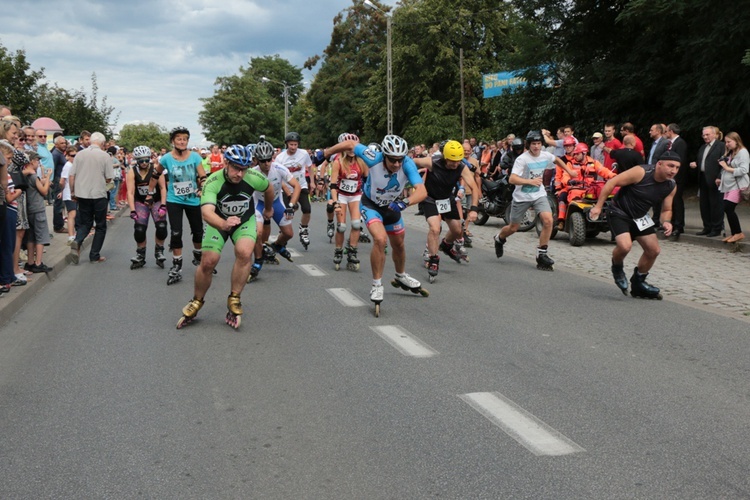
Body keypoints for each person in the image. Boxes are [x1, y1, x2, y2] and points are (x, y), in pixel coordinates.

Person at [318, 134, 428, 310]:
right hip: (371, 205)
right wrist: (325, 153)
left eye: (400, 160)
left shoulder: (406, 163)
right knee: (380, 239)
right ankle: (377, 284)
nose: (397, 164)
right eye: (393, 160)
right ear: (384, 155)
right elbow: (351, 143)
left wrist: (404, 202)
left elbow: (422, 191)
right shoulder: (373, 157)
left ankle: (400, 275)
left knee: (399, 244)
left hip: (393, 207)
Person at [177, 145, 274, 330]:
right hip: (219, 223)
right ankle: (197, 300)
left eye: (244, 169)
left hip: (244, 221)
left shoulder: (253, 178)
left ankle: (235, 298)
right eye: (236, 168)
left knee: (244, 253)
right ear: (226, 163)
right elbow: (206, 213)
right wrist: (223, 224)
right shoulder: (213, 181)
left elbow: (269, 189)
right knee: (208, 261)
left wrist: (269, 208)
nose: (240, 174)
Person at [589, 151, 680, 299]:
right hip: (619, 212)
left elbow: (667, 209)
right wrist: (598, 207)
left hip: (640, 217)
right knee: (625, 246)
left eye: (677, 167)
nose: (673, 171)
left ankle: (638, 283)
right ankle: (617, 267)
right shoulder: (641, 172)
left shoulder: (671, 185)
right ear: (659, 164)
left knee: (653, 250)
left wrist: (667, 222)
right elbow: (612, 182)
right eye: (670, 166)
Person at [493, 131, 577, 271]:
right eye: (533, 144)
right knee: (513, 227)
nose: (536, 147)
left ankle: (542, 253)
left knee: (548, 220)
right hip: (522, 197)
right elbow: (512, 179)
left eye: (538, 144)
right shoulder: (522, 159)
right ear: (528, 145)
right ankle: (499, 238)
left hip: (539, 195)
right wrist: (530, 181)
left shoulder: (545, 155)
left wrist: (569, 171)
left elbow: (556, 160)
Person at [145, 126, 207, 284]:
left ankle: (198, 256)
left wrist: (202, 189)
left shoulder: (195, 157)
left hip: (193, 199)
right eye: (179, 138)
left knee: (198, 232)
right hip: (174, 200)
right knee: (176, 233)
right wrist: (149, 193)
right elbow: (155, 174)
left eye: (185, 138)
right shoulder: (166, 158)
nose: (182, 141)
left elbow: (203, 176)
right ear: (173, 141)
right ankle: (176, 265)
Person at [412, 140, 479, 281]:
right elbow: (412, 162)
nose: (455, 164)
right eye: (451, 161)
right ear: (444, 157)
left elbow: (474, 188)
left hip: (447, 199)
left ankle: (446, 245)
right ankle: (433, 259)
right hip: (430, 198)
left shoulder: (461, 167)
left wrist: (474, 209)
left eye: (457, 161)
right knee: (435, 229)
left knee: (457, 231)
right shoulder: (432, 162)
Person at [248, 140, 301, 282]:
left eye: (269, 159)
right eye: (263, 160)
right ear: (257, 160)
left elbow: (297, 186)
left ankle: (277, 245)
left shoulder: (279, 168)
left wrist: (291, 205)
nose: (266, 164)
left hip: (277, 202)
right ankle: (258, 261)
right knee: (257, 233)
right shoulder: (252, 173)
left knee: (289, 234)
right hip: (259, 204)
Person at [66, 132, 114, 264]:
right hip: (99, 194)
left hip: (82, 194)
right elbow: (109, 177)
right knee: (100, 225)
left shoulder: (80, 154)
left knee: (85, 223)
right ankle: (94, 255)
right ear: (103, 144)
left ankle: (77, 240)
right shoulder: (105, 156)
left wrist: (73, 191)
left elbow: (72, 175)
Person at [328, 133, 369, 271]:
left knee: (356, 224)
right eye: (348, 147)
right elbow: (333, 185)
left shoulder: (362, 162)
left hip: (356, 195)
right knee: (341, 226)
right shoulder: (338, 162)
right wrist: (335, 202)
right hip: (341, 195)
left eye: (354, 147)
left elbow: (368, 180)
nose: (351, 150)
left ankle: (352, 250)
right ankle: (338, 250)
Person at [555, 142, 616, 229]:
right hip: (573, 189)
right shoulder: (570, 164)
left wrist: (614, 176)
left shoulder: (594, 162)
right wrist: (569, 181)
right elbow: (564, 176)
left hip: (589, 190)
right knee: (562, 197)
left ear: (584, 153)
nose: (574, 156)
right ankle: (561, 221)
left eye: (577, 154)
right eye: (574, 154)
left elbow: (604, 171)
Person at [127, 145, 168, 269]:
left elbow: (162, 188)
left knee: (161, 226)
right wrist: (132, 209)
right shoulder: (132, 171)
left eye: (146, 160)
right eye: (141, 161)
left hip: (155, 201)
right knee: (139, 229)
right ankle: (140, 254)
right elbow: (130, 192)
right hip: (141, 202)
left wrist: (163, 205)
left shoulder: (156, 169)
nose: (144, 163)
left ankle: (159, 251)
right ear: (137, 161)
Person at [275, 132, 314, 249]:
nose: (293, 147)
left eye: (295, 145)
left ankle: (304, 229)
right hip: (287, 187)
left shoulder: (304, 154)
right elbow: (278, 176)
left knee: (307, 209)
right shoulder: (280, 158)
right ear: (286, 144)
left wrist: (312, 181)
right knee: (288, 213)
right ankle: (283, 232)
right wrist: (287, 191)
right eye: (291, 144)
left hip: (301, 185)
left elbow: (310, 167)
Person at [20, 151, 53, 273]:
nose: (38, 163)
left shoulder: (25, 176)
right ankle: (38, 263)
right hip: (38, 209)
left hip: (28, 209)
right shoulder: (33, 176)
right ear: (32, 161)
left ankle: (30, 262)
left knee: (30, 237)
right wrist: (49, 176)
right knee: (41, 236)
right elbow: (44, 191)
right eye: (37, 161)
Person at [690, 126, 725, 237]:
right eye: (703, 135)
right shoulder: (703, 147)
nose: (705, 137)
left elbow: (724, 163)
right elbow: (702, 160)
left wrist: (719, 176)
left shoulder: (721, 146)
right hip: (703, 178)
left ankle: (716, 228)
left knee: (716, 204)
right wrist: (696, 164)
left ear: (715, 134)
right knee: (704, 204)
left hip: (715, 180)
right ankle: (707, 227)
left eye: (707, 134)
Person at [717, 132, 749, 243]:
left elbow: (744, 170)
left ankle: (738, 233)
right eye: (726, 142)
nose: (727, 144)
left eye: (729, 142)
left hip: (737, 185)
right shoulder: (731, 152)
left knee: (728, 207)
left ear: (736, 140)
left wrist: (726, 167)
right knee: (727, 208)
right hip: (728, 185)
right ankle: (734, 233)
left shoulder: (743, 152)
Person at [664, 123, 689, 239]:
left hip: (677, 177)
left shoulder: (680, 143)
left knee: (677, 200)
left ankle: (679, 225)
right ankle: (672, 223)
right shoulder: (671, 143)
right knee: (672, 201)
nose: (665, 133)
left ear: (671, 131)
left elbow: (680, 160)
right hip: (671, 177)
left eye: (666, 131)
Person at [59, 146, 78, 245]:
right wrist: (62, 191)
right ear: (67, 156)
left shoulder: (73, 165)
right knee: (72, 214)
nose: (74, 157)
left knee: (75, 213)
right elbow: (62, 180)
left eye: (76, 155)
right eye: (72, 155)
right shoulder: (68, 165)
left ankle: (74, 234)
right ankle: (71, 236)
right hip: (68, 193)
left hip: (73, 193)